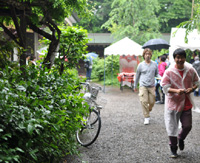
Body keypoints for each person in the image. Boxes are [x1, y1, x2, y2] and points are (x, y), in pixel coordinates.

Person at [160, 48, 200, 158]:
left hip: (186, 102)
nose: (180, 60)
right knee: (172, 127)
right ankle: (173, 148)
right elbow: (164, 87)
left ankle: (181, 138)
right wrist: (176, 91)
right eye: (178, 57)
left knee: (187, 125)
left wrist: (192, 89)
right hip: (173, 103)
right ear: (174, 59)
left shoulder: (190, 69)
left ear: (185, 58)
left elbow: (197, 82)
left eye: (182, 57)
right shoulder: (169, 71)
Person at [134, 48, 158, 125]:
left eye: (149, 54)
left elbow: (156, 74)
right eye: (146, 54)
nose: (147, 55)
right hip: (143, 86)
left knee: (152, 101)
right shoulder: (140, 65)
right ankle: (146, 117)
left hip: (151, 86)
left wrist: (161, 77)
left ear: (151, 55)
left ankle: (148, 109)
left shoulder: (154, 64)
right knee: (144, 101)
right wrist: (135, 85)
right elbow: (137, 75)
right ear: (144, 55)